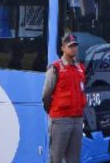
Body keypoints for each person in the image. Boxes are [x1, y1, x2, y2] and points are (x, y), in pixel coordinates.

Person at [41, 33, 85, 163]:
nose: (74, 49)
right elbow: (46, 95)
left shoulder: (80, 68)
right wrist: (54, 112)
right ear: (63, 48)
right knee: (56, 158)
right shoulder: (55, 68)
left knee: (74, 159)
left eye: (75, 46)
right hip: (61, 120)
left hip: (77, 120)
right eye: (70, 46)